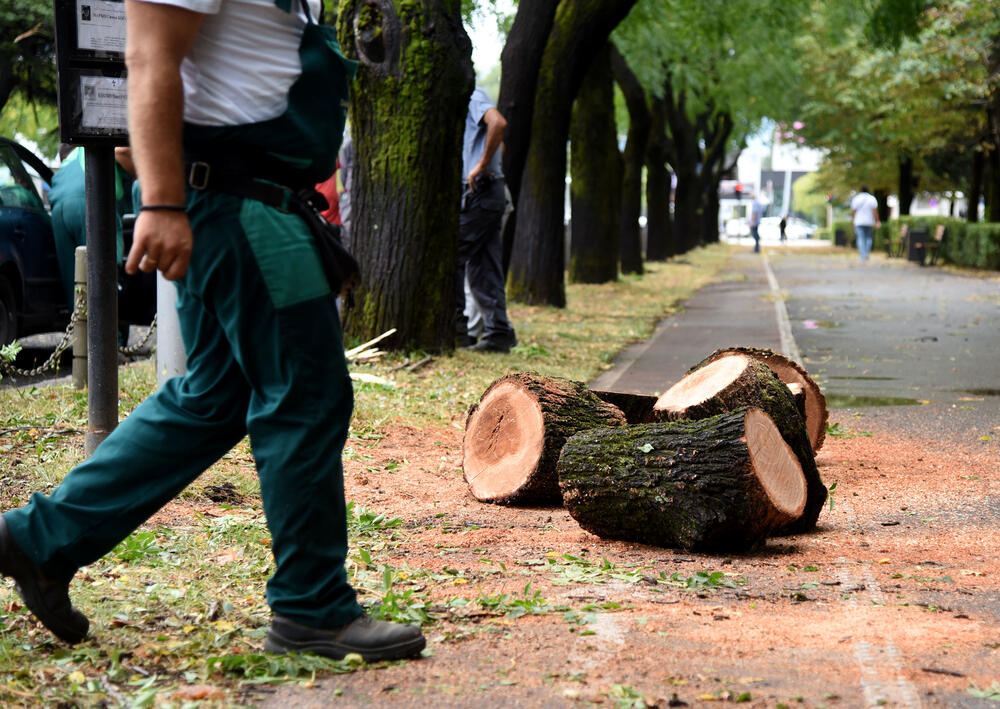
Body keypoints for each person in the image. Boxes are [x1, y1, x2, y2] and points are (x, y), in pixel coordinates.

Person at [0, 0, 425, 662]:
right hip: (243, 207)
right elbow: (148, 54)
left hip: (244, 197)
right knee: (305, 395)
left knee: (215, 395)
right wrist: (165, 202)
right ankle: (312, 609)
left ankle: (37, 541)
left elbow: (189, 79)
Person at [456, 88, 517, 353]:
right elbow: (499, 143)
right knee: (484, 265)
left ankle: (456, 329)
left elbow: (498, 123)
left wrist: (481, 165)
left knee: (453, 255)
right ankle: (498, 333)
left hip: (481, 191)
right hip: (490, 192)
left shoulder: (471, 96)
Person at [48, 146, 136, 309]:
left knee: (74, 282)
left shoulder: (71, 156)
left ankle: (78, 333)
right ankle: (111, 334)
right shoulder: (101, 136)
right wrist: (144, 175)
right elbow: (121, 151)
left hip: (58, 208)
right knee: (103, 274)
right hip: (90, 201)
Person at [850, 186, 880, 261]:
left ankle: (862, 255)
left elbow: (853, 211)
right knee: (868, 238)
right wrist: (877, 221)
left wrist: (852, 220)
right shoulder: (872, 199)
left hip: (859, 221)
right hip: (869, 222)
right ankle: (867, 254)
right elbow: (875, 212)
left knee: (860, 238)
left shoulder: (856, 198)